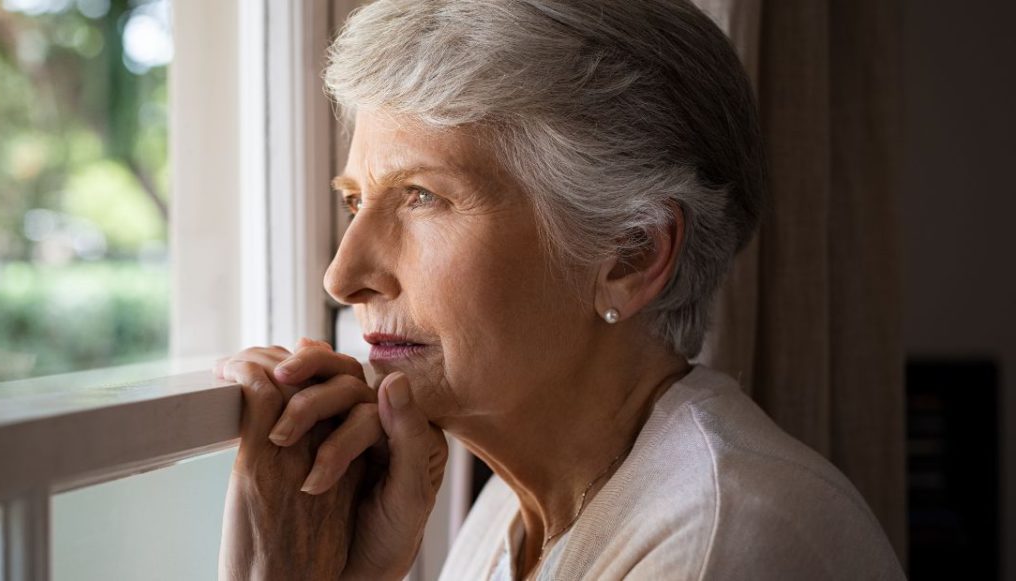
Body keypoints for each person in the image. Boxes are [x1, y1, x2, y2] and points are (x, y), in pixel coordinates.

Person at [215, 0, 906, 579]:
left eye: (421, 195)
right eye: (353, 199)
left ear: (630, 254)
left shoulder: (720, 543)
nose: (343, 276)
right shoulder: (508, 519)